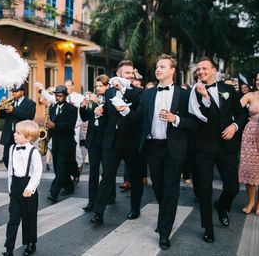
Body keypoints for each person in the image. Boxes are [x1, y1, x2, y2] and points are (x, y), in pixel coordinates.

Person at [122, 54, 195, 250]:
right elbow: (138, 118)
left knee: (171, 190)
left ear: (172, 71)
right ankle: (165, 217)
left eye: (162, 66)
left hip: (173, 148)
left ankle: (164, 232)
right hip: (153, 147)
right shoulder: (148, 94)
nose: (158, 69)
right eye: (157, 66)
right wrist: (124, 111)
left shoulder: (185, 95)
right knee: (159, 188)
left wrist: (175, 119)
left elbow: (194, 122)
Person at [189, 57, 247, 244]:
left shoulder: (228, 89)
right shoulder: (193, 93)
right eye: (198, 69)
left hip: (226, 145)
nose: (201, 72)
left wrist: (234, 127)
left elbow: (240, 113)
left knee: (232, 187)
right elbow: (195, 119)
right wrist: (204, 98)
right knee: (204, 189)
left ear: (213, 70)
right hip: (203, 147)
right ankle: (208, 227)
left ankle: (222, 206)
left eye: (205, 68)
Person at [90, 60, 143, 225]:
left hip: (131, 142)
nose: (131, 75)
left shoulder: (138, 92)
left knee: (135, 177)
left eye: (132, 73)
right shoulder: (109, 92)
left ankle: (135, 208)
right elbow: (107, 115)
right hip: (111, 141)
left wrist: (124, 90)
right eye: (127, 73)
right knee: (107, 177)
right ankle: (99, 212)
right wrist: (99, 112)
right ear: (118, 74)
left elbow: (139, 117)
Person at [2, 120, 43, 256]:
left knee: (29, 218)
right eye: (15, 132)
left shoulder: (34, 152)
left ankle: (30, 243)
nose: (14, 134)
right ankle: (9, 248)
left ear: (29, 137)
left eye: (18, 133)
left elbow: (37, 172)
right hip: (15, 187)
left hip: (28, 188)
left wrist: (30, 188)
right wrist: (10, 188)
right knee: (13, 219)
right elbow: (10, 171)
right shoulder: (12, 148)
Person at [239, 71, 259, 216]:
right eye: (257, 79)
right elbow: (235, 108)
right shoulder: (250, 95)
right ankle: (251, 201)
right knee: (250, 169)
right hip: (250, 135)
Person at [79, 74, 110, 212]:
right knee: (93, 172)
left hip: (106, 140)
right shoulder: (91, 101)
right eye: (96, 86)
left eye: (100, 86)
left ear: (107, 86)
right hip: (93, 141)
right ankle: (91, 201)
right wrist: (82, 107)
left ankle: (110, 195)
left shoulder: (111, 99)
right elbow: (85, 118)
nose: (98, 88)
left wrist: (97, 102)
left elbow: (110, 116)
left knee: (107, 172)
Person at [47, 85, 78, 203]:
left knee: (61, 169)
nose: (58, 97)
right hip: (56, 143)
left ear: (65, 96)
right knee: (58, 168)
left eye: (60, 96)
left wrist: (55, 125)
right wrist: (46, 137)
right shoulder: (51, 108)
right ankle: (69, 186)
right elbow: (50, 127)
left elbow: (70, 126)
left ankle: (53, 193)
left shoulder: (72, 109)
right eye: (56, 95)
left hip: (67, 143)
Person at [0, 84, 36, 168]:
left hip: (22, 135)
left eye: (16, 91)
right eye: (13, 91)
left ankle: (18, 175)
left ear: (22, 92)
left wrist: (13, 110)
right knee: (6, 158)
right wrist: (2, 106)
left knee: (21, 159)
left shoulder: (30, 103)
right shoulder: (10, 102)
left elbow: (30, 116)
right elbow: (1, 116)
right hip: (9, 135)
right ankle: (12, 173)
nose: (14, 93)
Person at [65, 79, 85, 175]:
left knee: (76, 146)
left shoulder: (79, 97)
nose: (67, 87)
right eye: (66, 86)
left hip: (75, 125)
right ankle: (69, 166)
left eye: (69, 85)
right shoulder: (64, 97)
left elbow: (82, 109)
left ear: (73, 86)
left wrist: (80, 121)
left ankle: (79, 164)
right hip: (65, 125)